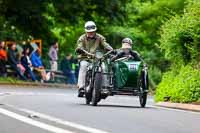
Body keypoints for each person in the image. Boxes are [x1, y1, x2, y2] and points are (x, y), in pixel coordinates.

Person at [75, 21, 113, 97]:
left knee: (104, 68)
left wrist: (111, 49)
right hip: (85, 58)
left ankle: (105, 88)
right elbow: (79, 46)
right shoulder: (82, 38)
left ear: (95, 30)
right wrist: (80, 50)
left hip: (97, 59)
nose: (91, 33)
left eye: (92, 31)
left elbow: (105, 45)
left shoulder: (100, 37)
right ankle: (81, 87)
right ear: (86, 31)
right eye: (89, 32)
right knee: (83, 66)